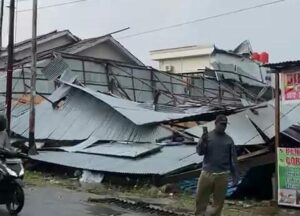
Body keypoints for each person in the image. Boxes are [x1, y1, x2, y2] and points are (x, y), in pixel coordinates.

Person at [195, 114, 239, 216]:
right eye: (221, 124)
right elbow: (200, 152)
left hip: (222, 175)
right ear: (216, 123)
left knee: (218, 203)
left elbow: (233, 159)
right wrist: (202, 141)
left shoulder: (229, 140)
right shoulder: (208, 136)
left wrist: (235, 175)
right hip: (207, 173)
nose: (223, 126)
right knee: (200, 199)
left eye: (225, 125)